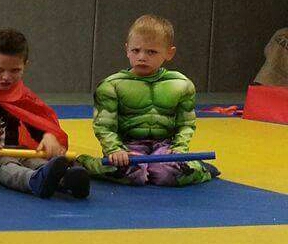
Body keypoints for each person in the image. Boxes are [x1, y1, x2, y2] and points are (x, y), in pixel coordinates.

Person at [78, 15, 219, 186]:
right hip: (128, 147)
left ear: (169, 53)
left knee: (166, 175)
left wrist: (179, 149)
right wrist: (114, 149)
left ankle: (199, 168)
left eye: (151, 52)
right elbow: (104, 126)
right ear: (127, 50)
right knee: (135, 175)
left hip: (164, 147)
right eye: (136, 50)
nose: (142, 57)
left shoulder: (181, 85)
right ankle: (85, 163)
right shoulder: (111, 85)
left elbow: (186, 124)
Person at [0, 29, 89, 199]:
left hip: (17, 149)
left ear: (25, 66)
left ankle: (67, 180)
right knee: (6, 166)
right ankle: (33, 181)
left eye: (14, 70)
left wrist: (47, 136)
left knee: (35, 161)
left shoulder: (21, 95)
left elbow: (34, 122)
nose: (6, 77)